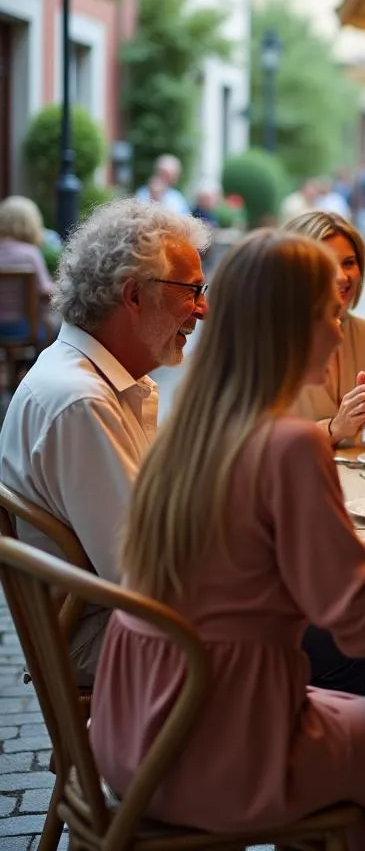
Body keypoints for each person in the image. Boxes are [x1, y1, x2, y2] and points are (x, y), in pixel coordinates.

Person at [89, 230, 365, 851]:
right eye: (329, 310)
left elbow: (242, 552)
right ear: (292, 325)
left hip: (135, 728)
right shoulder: (292, 443)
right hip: (217, 746)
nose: (339, 321)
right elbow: (357, 620)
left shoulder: (196, 424)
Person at [0, 200, 210, 679]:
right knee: (311, 628)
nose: (203, 308)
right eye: (193, 290)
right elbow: (145, 578)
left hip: (108, 622)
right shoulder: (82, 401)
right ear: (134, 295)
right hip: (102, 638)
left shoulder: (89, 378)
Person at [283, 211, 365, 446]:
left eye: (349, 263)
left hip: (354, 480)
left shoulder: (362, 332)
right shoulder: (268, 337)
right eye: (326, 264)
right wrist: (334, 428)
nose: (341, 276)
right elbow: (255, 442)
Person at [0, 195, 58, 344]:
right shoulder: (30, 254)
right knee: (60, 328)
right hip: (24, 328)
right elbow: (45, 291)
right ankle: (32, 366)